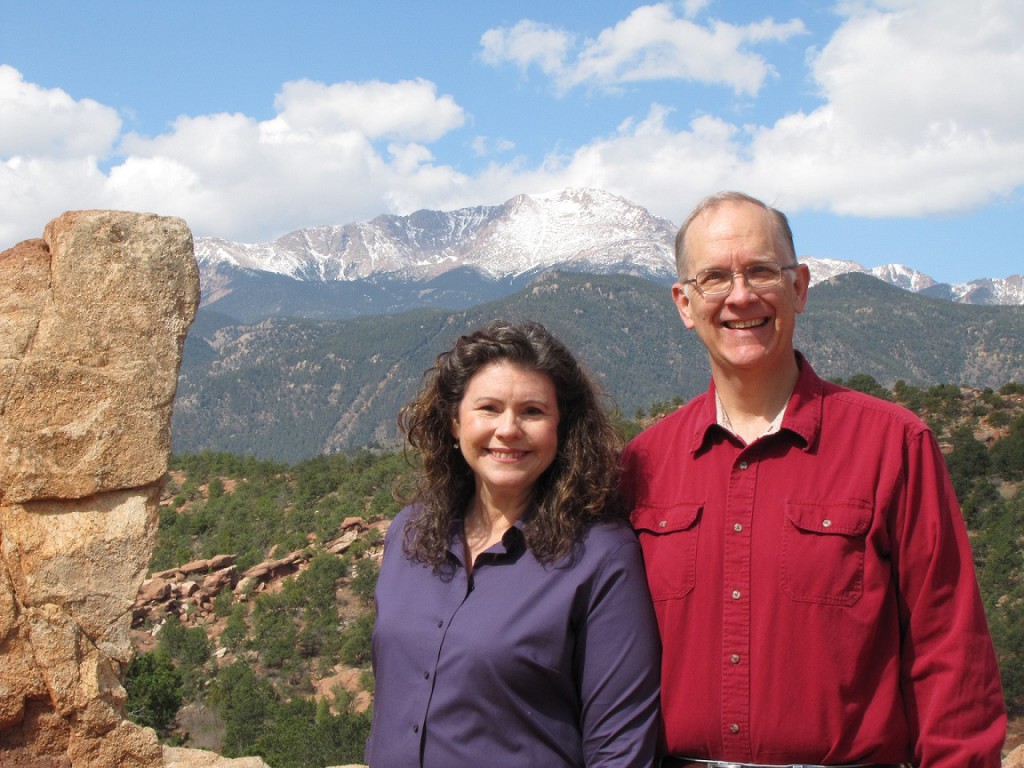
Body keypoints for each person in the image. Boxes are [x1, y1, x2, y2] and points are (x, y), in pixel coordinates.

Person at [621, 191, 1006, 768]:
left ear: (799, 287)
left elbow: (950, 653)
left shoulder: (894, 446)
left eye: (760, 272)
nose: (741, 296)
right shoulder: (641, 465)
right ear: (684, 302)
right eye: (715, 278)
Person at [366, 319, 661, 768]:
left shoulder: (599, 556)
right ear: (453, 421)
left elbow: (621, 749)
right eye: (488, 407)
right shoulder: (409, 534)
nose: (508, 429)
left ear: (562, 430)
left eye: (533, 412)